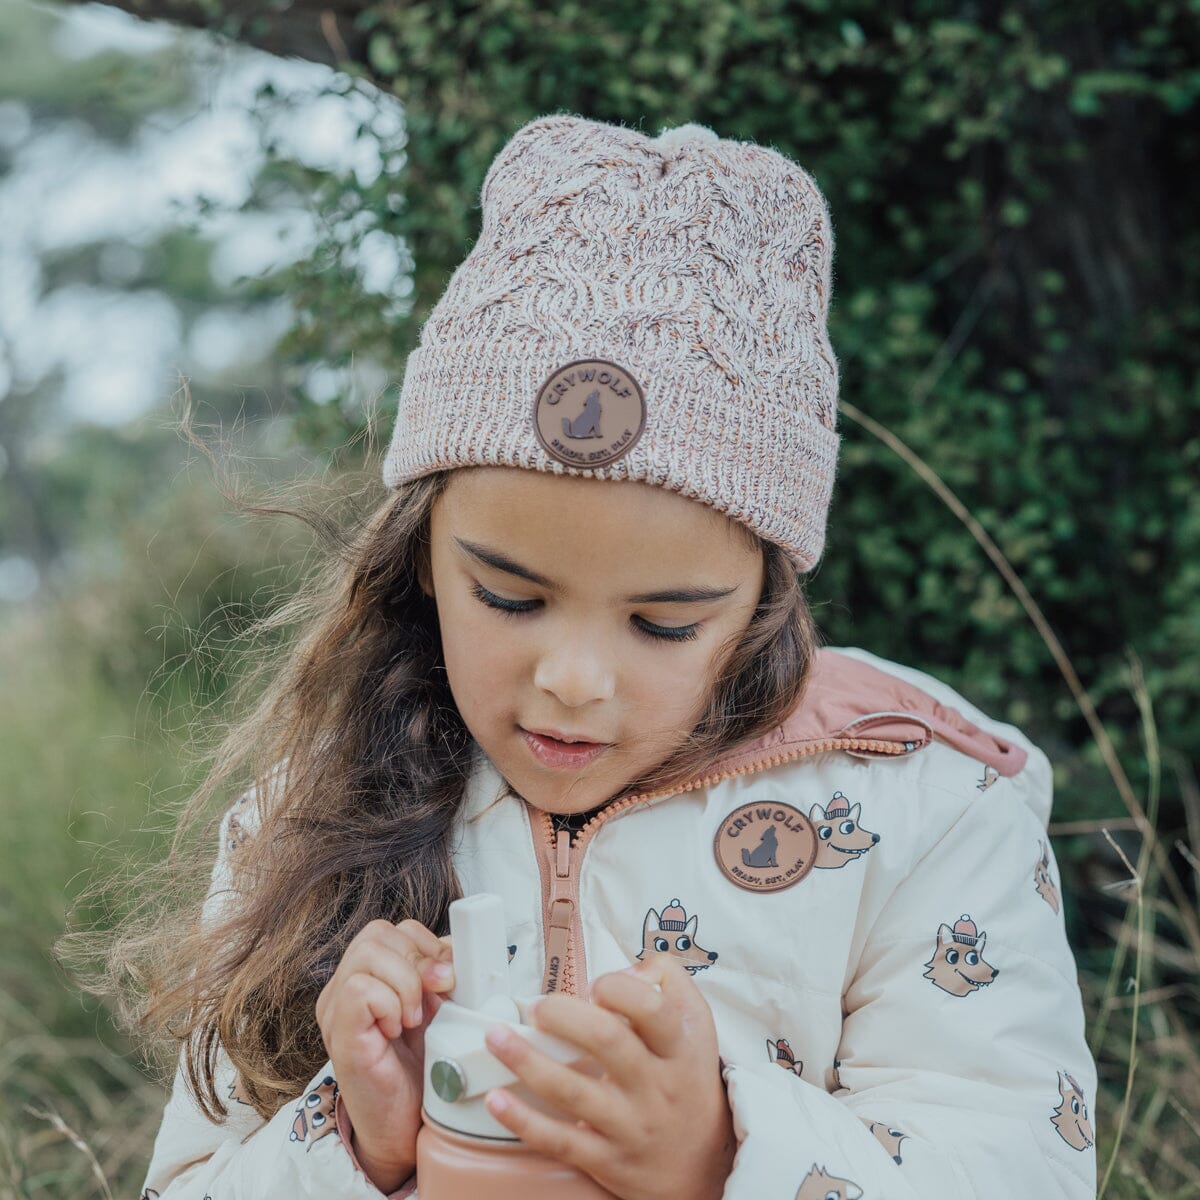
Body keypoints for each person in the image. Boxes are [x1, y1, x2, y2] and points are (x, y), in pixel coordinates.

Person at [135, 114, 1097, 1199]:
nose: (574, 680)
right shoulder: (305, 815)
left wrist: (721, 1154)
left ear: (765, 593)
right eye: (508, 597)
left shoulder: (925, 807)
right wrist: (361, 1145)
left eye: (665, 623)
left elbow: (1028, 1169)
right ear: (422, 557)